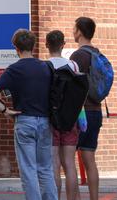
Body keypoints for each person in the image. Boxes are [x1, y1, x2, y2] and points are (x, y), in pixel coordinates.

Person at [0, 29, 58, 200]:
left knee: (28, 170)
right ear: (33, 46)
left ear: (16, 48)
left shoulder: (14, 69)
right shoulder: (46, 67)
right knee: (46, 169)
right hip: (46, 121)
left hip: (25, 121)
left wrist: (5, 110)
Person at [70, 17, 108, 200]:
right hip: (96, 111)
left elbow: (70, 86)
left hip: (80, 113)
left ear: (79, 32)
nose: (72, 31)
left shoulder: (78, 56)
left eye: (74, 28)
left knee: (69, 161)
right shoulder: (97, 54)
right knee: (90, 159)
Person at [43, 30, 81, 200]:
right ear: (63, 45)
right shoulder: (73, 66)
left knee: (54, 165)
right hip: (70, 119)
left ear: (46, 45)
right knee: (70, 164)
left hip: (51, 119)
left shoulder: (44, 66)